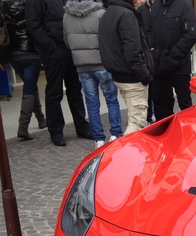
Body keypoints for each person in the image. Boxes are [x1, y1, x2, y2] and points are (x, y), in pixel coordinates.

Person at [26, 0, 93, 146]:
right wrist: (50, 46)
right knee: (54, 93)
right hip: (54, 51)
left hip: (71, 48)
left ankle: (82, 127)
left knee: (75, 90)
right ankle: (56, 131)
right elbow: (33, 24)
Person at [64, 0, 123, 148]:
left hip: (82, 66)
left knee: (92, 104)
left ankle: (98, 139)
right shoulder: (101, 14)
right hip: (102, 63)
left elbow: (67, 41)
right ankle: (116, 134)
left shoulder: (67, 16)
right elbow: (109, 39)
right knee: (111, 100)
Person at [99, 0, 152, 134]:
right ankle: (126, 153)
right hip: (131, 77)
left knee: (135, 120)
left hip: (121, 74)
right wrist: (144, 75)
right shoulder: (125, 14)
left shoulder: (109, 12)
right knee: (137, 124)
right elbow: (132, 51)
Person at [0, 0, 47, 141]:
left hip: (13, 54)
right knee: (29, 89)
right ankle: (23, 127)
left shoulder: (4, 7)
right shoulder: (31, 4)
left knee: (30, 85)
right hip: (31, 53)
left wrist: (1, 57)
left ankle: (41, 118)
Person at [149, 0, 196, 121]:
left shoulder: (184, 6)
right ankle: (164, 133)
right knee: (160, 103)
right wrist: (152, 50)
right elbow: (148, 29)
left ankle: (189, 132)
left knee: (185, 104)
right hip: (159, 64)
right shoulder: (155, 6)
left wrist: (173, 55)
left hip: (179, 64)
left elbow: (191, 35)